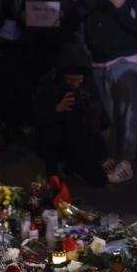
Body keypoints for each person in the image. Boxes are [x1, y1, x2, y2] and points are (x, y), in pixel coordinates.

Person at [74, 0, 137, 183]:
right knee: (105, 114)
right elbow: (70, 20)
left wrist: (123, 6)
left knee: (126, 112)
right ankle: (111, 158)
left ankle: (126, 160)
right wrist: (92, 0)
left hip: (124, 60)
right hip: (97, 62)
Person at [32, 44, 110, 187]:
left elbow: (103, 120)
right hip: (56, 136)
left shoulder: (88, 82)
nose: (75, 85)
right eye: (71, 81)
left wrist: (92, 109)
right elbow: (37, 116)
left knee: (99, 181)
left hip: (80, 138)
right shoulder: (50, 81)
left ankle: (73, 167)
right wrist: (57, 108)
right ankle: (53, 171)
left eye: (78, 81)